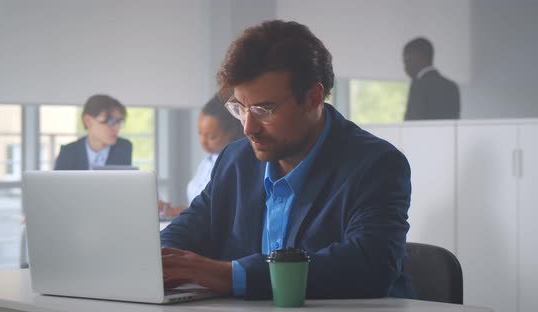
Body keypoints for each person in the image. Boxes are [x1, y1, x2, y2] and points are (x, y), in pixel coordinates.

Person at [160, 20, 414, 300]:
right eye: (240, 108)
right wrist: (161, 262)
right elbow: (187, 230)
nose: (248, 128)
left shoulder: (376, 164)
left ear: (313, 97)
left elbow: (368, 266)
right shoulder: (235, 159)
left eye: (264, 109)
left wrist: (229, 275)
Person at [159, 94, 244, 218]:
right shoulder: (206, 162)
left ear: (232, 133)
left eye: (212, 137)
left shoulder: (235, 165)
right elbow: (198, 206)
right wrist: (171, 211)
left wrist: (175, 212)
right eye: (200, 133)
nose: (203, 142)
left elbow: (215, 211)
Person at [54, 94, 132, 170]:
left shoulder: (124, 147)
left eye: (119, 122)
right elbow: (57, 182)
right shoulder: (68, 153)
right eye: (110, 121)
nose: (117, 127)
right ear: (88, 121)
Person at [403, 37, 460, 120]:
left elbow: (412, 122)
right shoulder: (452, 86)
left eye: (406, 60)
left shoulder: (418, 85)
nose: (405, 66)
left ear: (419, 58)